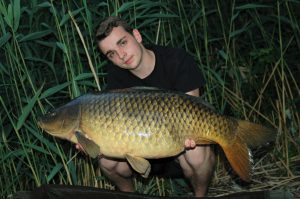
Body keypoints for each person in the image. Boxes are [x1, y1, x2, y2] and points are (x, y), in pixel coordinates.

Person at [94, 16, 216, 197]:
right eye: (111, 53)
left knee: (197, 153)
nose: (121, 55)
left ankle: (200, 195)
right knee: (106, 161)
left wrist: (191, 135)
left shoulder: (177, 60)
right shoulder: (115, 80)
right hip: (139, 151)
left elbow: (192, 112)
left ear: (137, 35)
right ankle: (128, 195)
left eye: (122, 42)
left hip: (177, 148)